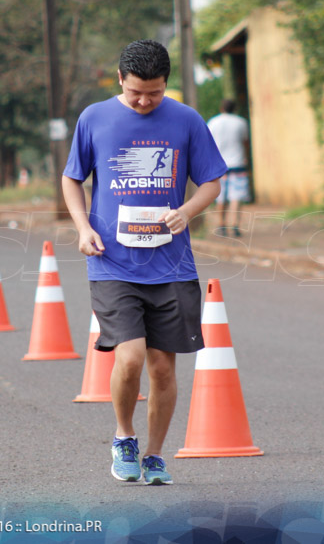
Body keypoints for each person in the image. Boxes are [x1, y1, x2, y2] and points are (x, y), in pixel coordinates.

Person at [61, 39, 226, 485]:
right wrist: (82, 228)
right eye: (136, 91)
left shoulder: (186, 120)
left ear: (165, 84)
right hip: (112, 261)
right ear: (120, 78)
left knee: (162, 366)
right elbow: (72, 178)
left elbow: (212, 181)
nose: (144, 101)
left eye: (154, 92)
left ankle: (154, 454)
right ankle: (124, 436)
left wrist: (187, 211)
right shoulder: (94, 118)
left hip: (172, 265)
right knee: (130, 358)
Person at [207, 98, 251, 237]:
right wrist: (247, 160)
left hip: (219, 165)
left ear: (222, 108)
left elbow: (208, 144)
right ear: (235, 109)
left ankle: (221, 225)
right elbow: (245, 143)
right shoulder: (241, 122)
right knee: (236, 197)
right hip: (238, 164)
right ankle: (235, 225)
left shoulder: (213, 122)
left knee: (220, 197)